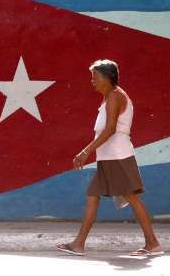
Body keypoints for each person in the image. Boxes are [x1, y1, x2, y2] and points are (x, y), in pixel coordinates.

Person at [56, 59, 163, 256]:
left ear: (108, 78)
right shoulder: (109, 97)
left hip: (118, 156)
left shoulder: (115, 96)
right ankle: (78, 244)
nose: (92, 81)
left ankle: (153, 243)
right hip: (108, 158)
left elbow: (110, 129)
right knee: (92, 195)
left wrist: (85, 151)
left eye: (95, 77)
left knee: (132, 197)